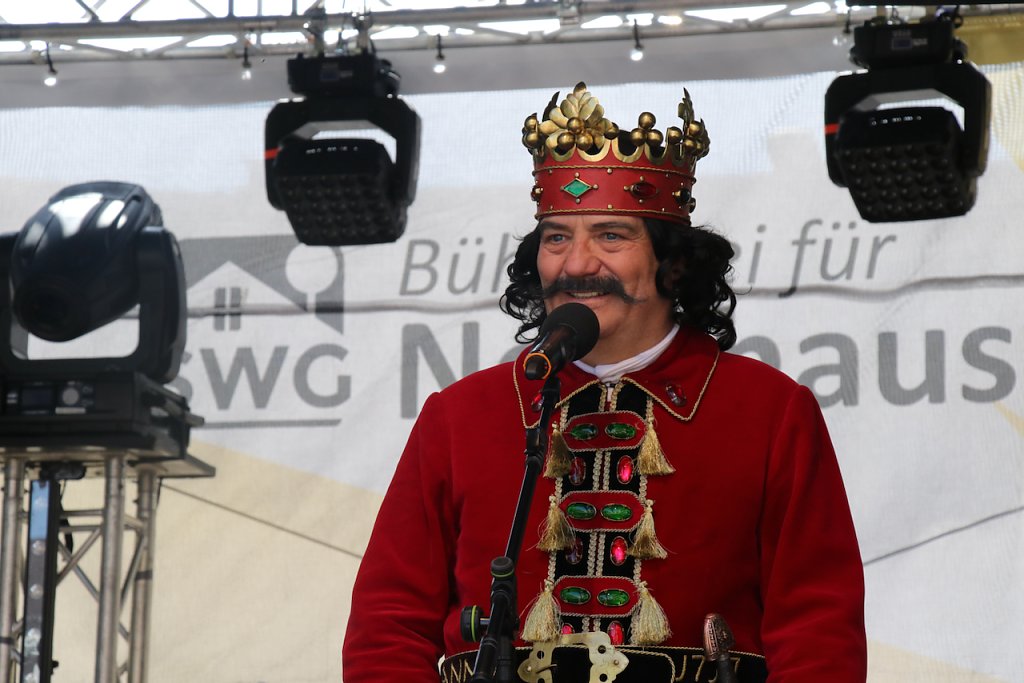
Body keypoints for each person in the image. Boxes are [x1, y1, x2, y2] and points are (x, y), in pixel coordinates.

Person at [343, 82, 867, 683]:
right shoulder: (461, 415)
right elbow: (387, 624)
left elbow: (818, 628)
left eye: (611, 236)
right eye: (556, 238)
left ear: (674, 263)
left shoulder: (768, 410)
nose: (576, 264)